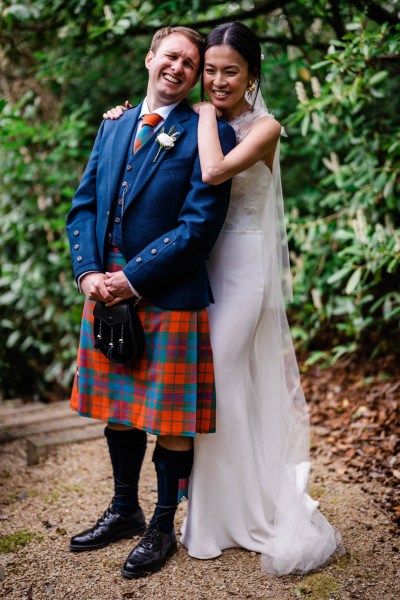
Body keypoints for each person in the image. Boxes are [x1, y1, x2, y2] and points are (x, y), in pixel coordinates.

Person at [104, 21, 344, 575]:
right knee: (201, 383)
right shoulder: (190, 119)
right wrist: (126, 117)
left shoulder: (264, 127)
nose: (215, 80)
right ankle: (199, 509)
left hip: (241, 268)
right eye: (208, 70)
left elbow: (212, 171)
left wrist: (204, 114)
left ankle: (233, 514)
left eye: (229, 71)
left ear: (252, 74)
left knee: (224, 380)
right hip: (196, 266)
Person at [66, 25, 236, 579]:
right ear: (149, 59)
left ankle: (163, 524)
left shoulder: (209, 136)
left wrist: (129, 279)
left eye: (191, 63)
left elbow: (197, 229)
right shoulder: (112, 125)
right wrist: (89, 271)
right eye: (172, 57)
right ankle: (124, 509)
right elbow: (84, 206)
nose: (180, 68)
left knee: (170, 420)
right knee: (118, 411)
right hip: (105, 290)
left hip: (167, 294)